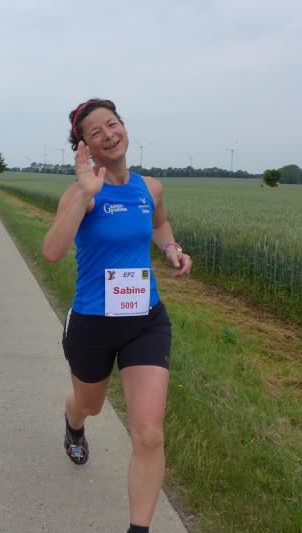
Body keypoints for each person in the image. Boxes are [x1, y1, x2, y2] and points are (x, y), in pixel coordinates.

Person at [42, 98, 192, 533]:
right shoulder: (82, 193)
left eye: (113, 124)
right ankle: (74, 422)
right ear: (85, 146)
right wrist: (84, 195)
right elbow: (51, 252)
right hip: (93, 323)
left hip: (146, 320)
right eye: (96, 132)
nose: (109, 135)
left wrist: (171, 249)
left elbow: (159, 225)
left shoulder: (150, 187)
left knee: (149, 432)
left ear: (124, 126)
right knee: (90, 404)